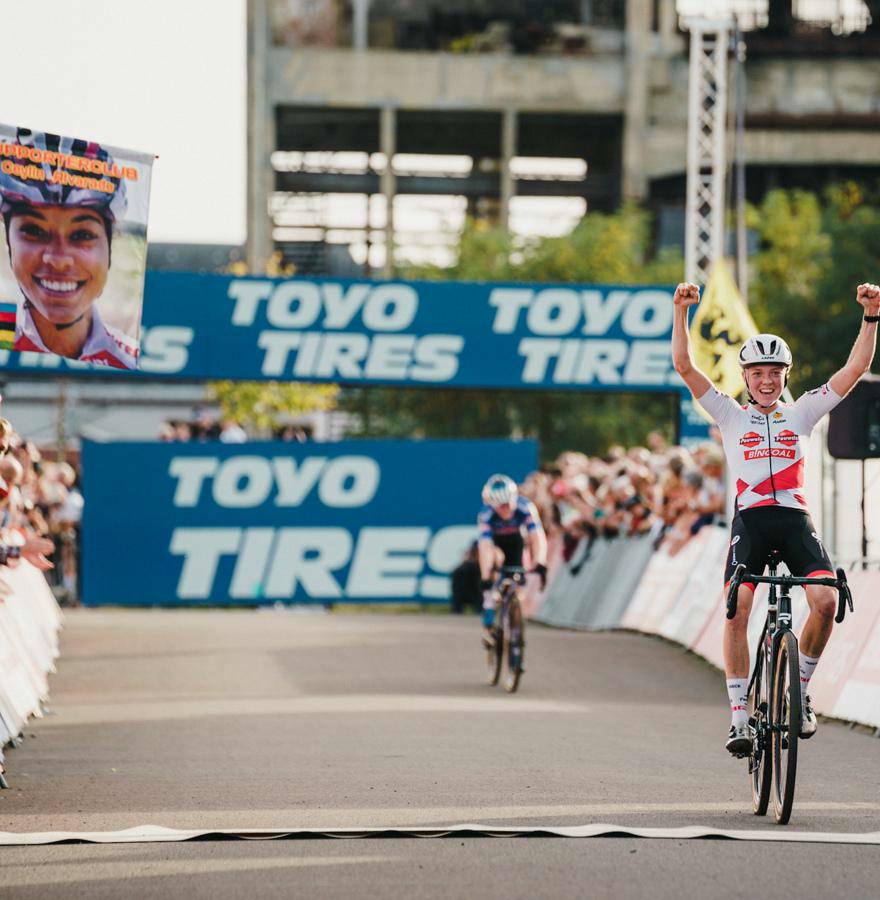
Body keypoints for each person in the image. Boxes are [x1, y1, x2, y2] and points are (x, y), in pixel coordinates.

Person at [671, 280, 880, 755]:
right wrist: (680, 311)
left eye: (775, 372)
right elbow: (684, 365)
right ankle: (740, 717)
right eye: (758, 372)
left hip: (795, 523)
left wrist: (870, 316)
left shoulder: (803, 412)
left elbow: (856, 369)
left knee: (826, 603)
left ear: (787, 375)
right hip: (751, 523)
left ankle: (800, 692)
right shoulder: (727, 414)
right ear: (745, 377)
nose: (767, 380)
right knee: (737, 609)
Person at [0, 128, 137, 368]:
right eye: (33, 231)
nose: (58, 259)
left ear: (110, 246)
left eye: (82, 234)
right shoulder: (5, 332)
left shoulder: (127, 357)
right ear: (7, 241)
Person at [477, 473, 548, 648]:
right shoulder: (486, 514)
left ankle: (514, 616)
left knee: (518, 574)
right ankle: (489, 602)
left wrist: (540, 561)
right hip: (496, 545)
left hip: (516, 542)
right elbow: (484, 546)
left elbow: (537, 537)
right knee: (494, 558)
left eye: (508, 504)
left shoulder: (525, 507)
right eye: (500, 506)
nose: (505, 509)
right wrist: (486, 577)